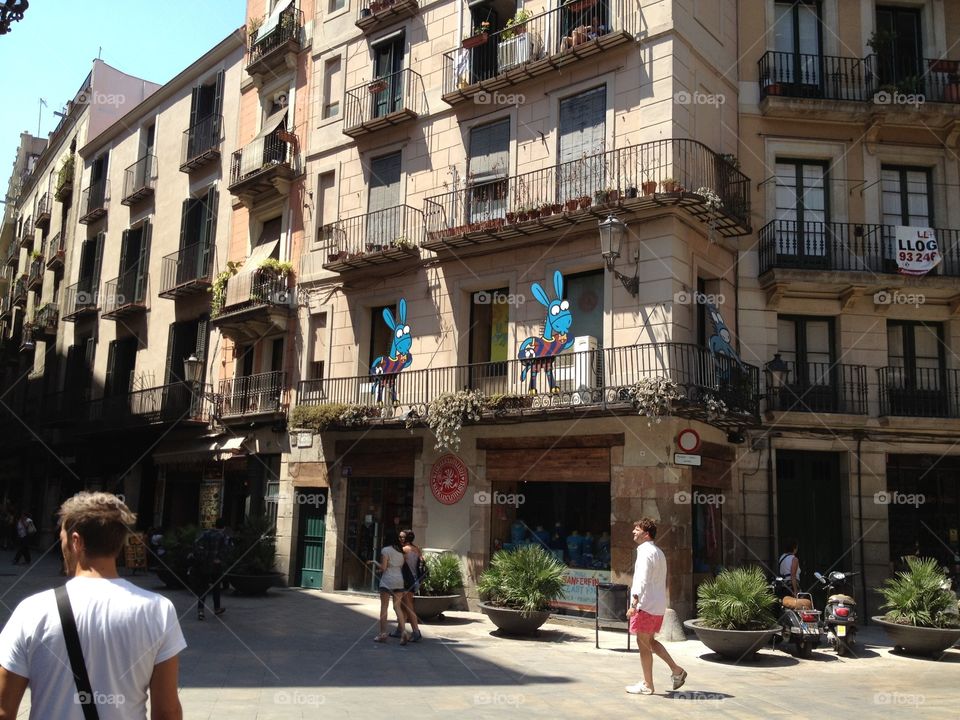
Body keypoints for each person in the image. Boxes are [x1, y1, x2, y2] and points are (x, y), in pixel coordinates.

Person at [0, 491, 185, 719]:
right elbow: (167, 711)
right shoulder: (158, 610)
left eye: (63, 538)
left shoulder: (32, 610)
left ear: (76, 541)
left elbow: (3, 710)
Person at [625, 517, 686, 696]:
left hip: (646, 604)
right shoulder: (658, 552)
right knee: (649, 642)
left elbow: (641, 580)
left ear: (646, 533)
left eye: (637, 529)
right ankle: (676, 671)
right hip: (657, 604)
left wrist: (634, 604)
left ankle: (648, 684)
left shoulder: (644, 552)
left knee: (643, 643)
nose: (633, 532)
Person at [372, 533, 409, 644]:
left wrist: (374, 563)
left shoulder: (385, 550)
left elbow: (383, 568)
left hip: (387, 581)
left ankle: (383, 634)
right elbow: (400, 567)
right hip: (399, 580)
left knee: (384, 607)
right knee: (397, 607)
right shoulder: (401, 552)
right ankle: (404, 632)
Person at [192, 518, 229, 621]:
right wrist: (218, 559)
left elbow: (196, 543)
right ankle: (216, 608)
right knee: (216, 587)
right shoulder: (223, 536)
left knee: (203, 588)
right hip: (216, 566)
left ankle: (200, 611)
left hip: (205, 564)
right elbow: (226, 550)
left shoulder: (206, 533)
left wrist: (202, 556)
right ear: (224, 527)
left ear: (215, 525)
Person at [392, 529, 422, 642]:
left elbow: (397, 566)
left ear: (407, 539)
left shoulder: (403, 550)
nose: (400, 539)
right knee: (404, 606)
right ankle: (400, 629)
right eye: (399, 537)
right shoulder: (417, 549)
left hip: (406, 581)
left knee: (407, 607)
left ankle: (416, 632)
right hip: (415, 581)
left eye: (402, 537)